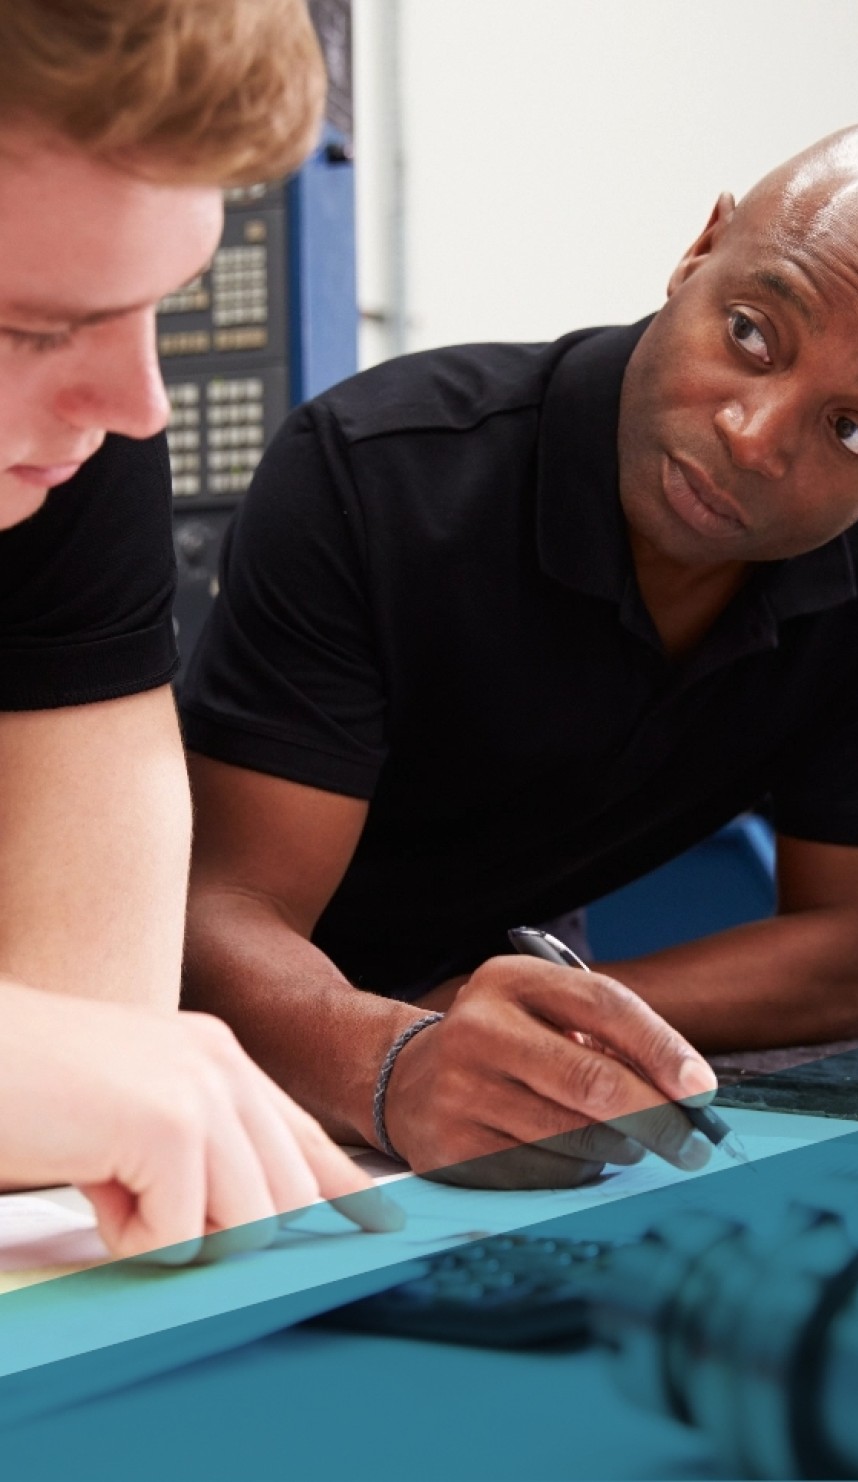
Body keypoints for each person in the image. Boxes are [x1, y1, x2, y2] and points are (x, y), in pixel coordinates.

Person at [180, 121, 858, 1186]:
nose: (757, 434)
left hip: (493, 1055)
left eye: (856, 433)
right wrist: (400, 1056)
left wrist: (551, 1024)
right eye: (751, 332)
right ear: (699, 250)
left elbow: (849, 955)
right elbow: (219, 914)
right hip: (239, 1068)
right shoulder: (377, 477)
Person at [0, 0, 402, 1258]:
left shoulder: (77, 446)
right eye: (29, 326)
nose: (136, 402)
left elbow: (86, 1053)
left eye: (161, 304)